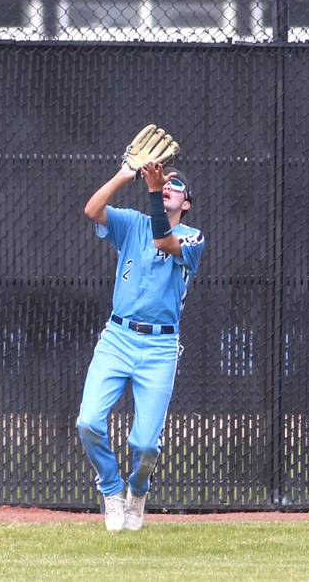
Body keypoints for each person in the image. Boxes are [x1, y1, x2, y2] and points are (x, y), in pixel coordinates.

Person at [77, 160, 205, 531]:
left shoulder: (194, 236)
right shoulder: (132, 222)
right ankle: (112, 489)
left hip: (160, 348)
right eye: (164, 180)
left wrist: (151, 190)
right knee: (88, 422)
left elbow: (165, 240)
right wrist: (125, 172)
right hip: (118, 337)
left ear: (187, 204)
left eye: (176, 184)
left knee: (146, 445)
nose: (167, 184)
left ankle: (138, 488)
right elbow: (92, 209)